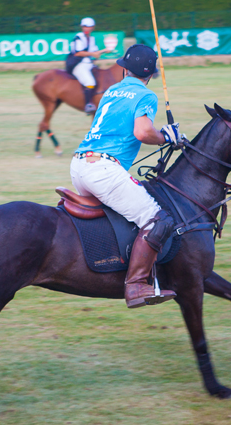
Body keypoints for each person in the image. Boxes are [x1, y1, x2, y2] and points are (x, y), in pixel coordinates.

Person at [71, 44, 182, 308]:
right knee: (158, 220)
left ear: (125, 69)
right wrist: (167, 136)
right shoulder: (146, 95)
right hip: (103, 170)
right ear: (150, 74)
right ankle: (135, 286)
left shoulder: (112, 90)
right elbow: (143, 133)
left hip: (79, 164)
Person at [66, 17, 109, 114]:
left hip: (89, 64)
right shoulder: (79, 37)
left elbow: (94, 52)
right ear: (82, 27)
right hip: (78, 64)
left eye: (89, 27)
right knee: (90, 81)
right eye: (85, 26)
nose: (87, 28)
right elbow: (78, 53)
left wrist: (105, 50)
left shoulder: (92, 39)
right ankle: (88, 104)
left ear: (93, 27)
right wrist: (93, 54)